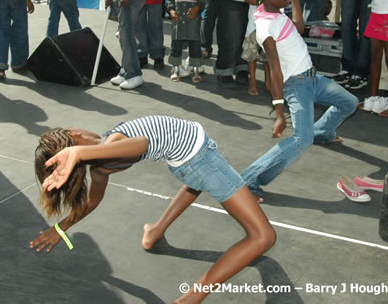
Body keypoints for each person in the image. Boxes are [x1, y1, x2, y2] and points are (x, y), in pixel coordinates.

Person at [30, 116, 276, 303]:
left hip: (189, 162)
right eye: (71, 135)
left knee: (194, 184)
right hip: (200, 161)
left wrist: (61, 227)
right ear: (75, 139)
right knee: (263, 236)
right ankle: (190, 299)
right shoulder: (111, 150)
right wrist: (78, 151)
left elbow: (93, 201)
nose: (77, 129)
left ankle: (156, 231)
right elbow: (142, 144)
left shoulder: (102, 157)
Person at [240, 0, 358, 202]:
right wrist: (280, 114)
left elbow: (300, 27)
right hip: (297, 85)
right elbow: (274, 71)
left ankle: (322, 131)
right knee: (301, 140)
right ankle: (248, 180)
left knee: (350, 102)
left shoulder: (273, 10)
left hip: (313, 78)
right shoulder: (266, 28)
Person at [242, 0, 274, 96]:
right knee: (252, 54)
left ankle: (268, 82)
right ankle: (253, 82)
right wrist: (259, 1)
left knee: (269, 55)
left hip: (272, 23)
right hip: (254, 22)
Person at [167, 0, 206, 83]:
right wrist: (171, 11)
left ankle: (195, 70)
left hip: (193, 23)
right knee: (176, 46)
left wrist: (196, 8)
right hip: (178, 23)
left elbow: (202, 1)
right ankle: (175, 69)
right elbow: (170, 1)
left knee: (195, 46)